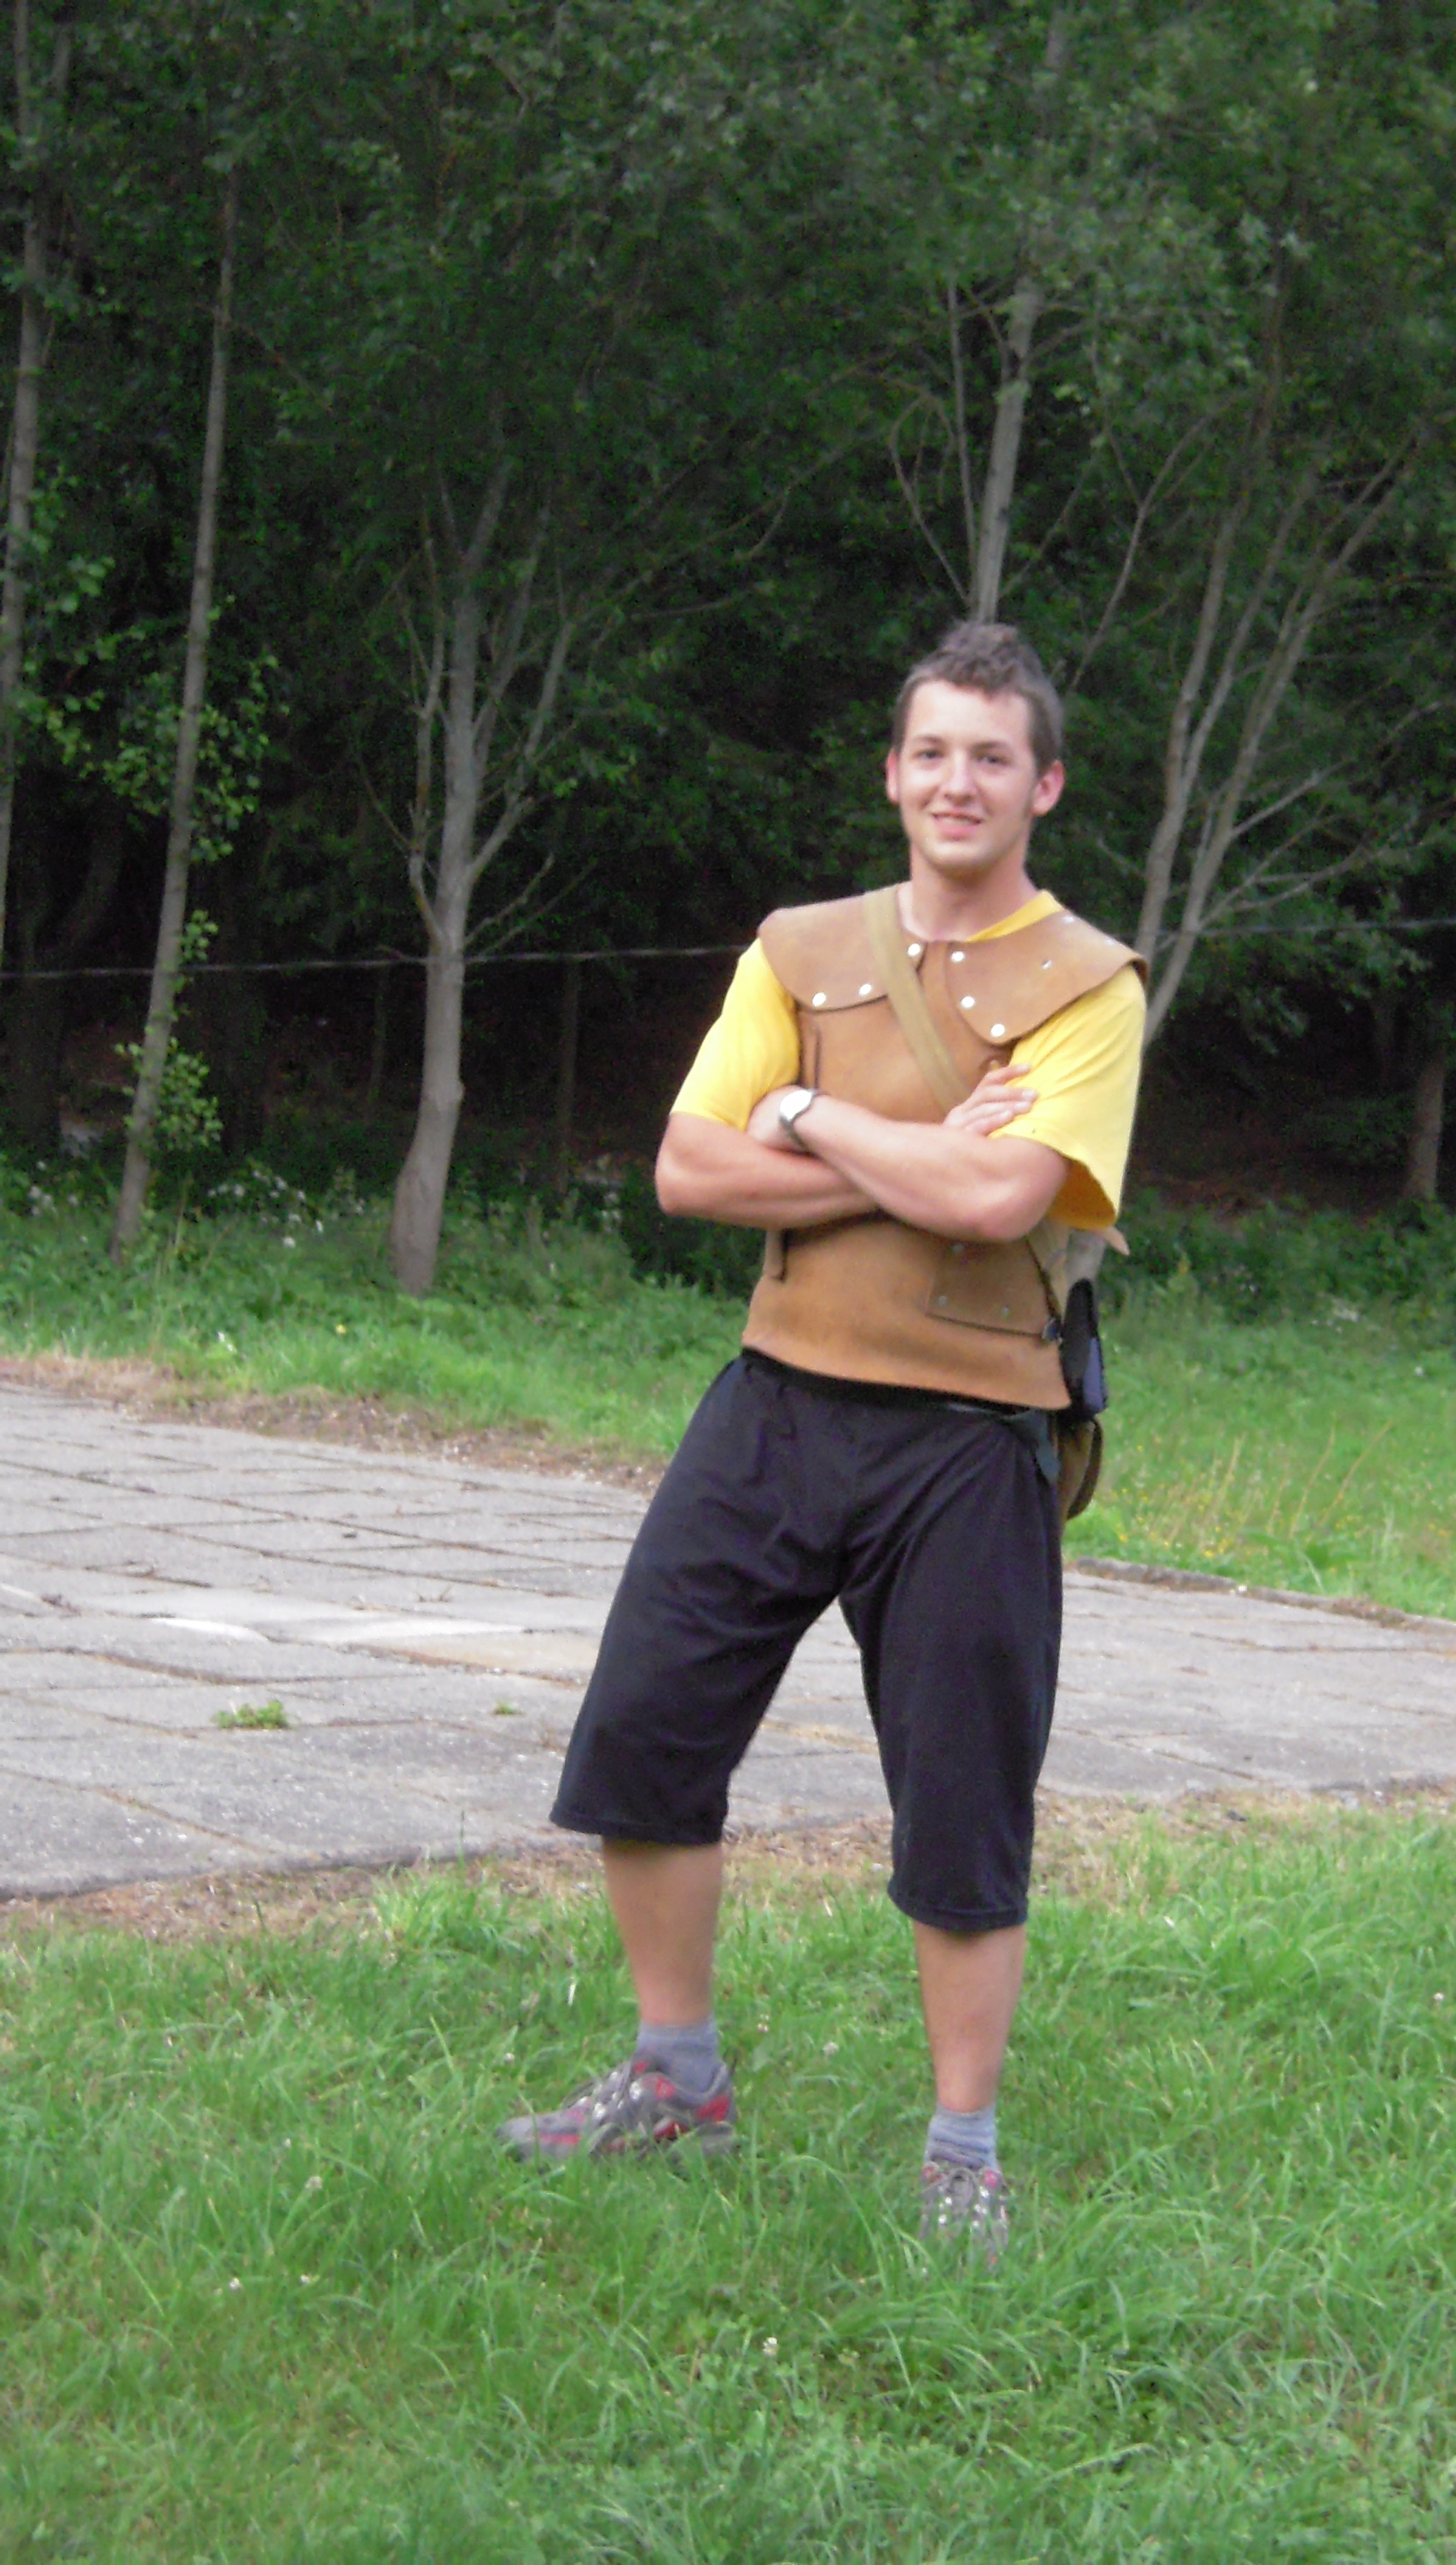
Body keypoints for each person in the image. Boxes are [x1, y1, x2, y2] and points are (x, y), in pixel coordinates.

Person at [498, 620, 1146, 2261]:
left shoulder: (1091, 985)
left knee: (964, 1801)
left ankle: (962, 2155)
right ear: (891, 773)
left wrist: (808, 1116)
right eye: (932, 751)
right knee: (644, 1727)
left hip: (973, 1440)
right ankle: (676, 2078)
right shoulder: (796, 951)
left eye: (992, 756)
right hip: (776, 1401)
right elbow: (688, 1170)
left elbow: (1002, 1199)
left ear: (1045, 786)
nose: (957, 781)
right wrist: (901, 1147)